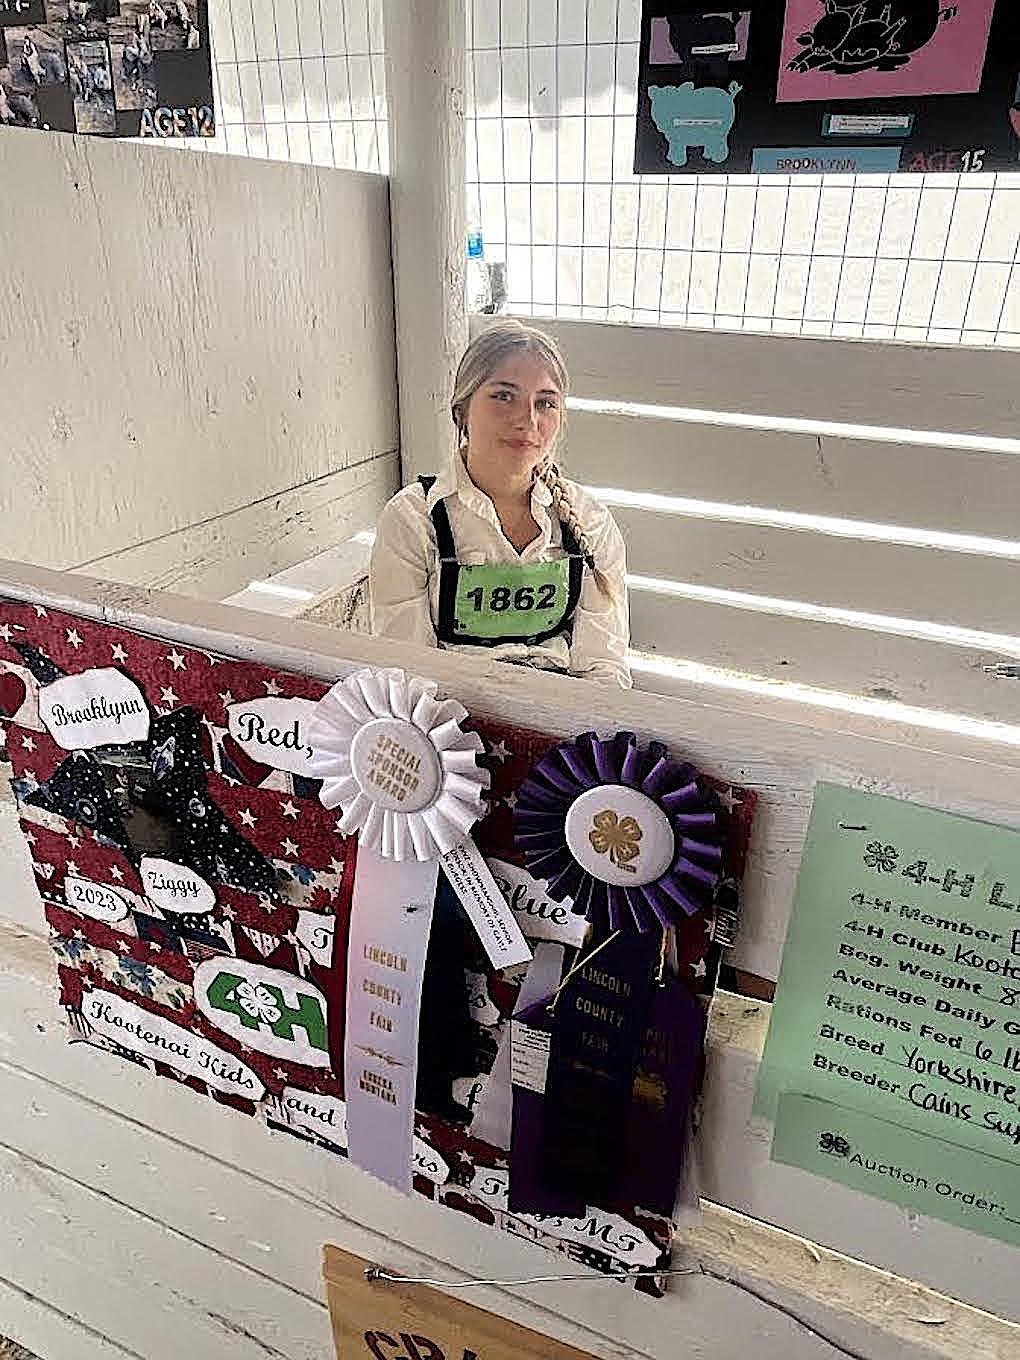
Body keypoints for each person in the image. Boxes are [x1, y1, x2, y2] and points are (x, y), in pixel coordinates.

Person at [369, 319, 631, 687]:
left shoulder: (590, 521)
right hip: (449, 725)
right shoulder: (413, 519)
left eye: (545, 403)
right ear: (461, 410)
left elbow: (604, 666)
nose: (528, 419)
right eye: (504, 396)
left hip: (561, 726)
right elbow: (407, 672)